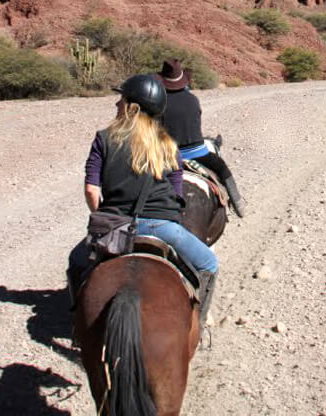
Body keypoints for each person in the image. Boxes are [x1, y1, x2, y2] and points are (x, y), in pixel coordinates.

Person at [69, 74, 218, 327]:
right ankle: (197, 325)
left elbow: (92, 191)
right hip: (163, 228)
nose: (117, 104)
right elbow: (176, 194)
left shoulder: (104, 139)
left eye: (121, 99)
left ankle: (78, 323)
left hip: (115, 226)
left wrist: (102, 217)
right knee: (208, 264)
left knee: (75, 263)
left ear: (132, 107)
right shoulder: (168, 145)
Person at [157, 59, 247, 217]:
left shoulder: (157, 101)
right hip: (197, 153)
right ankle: (238, 204)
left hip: (166, 156)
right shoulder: (192, 99)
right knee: (221, 168)